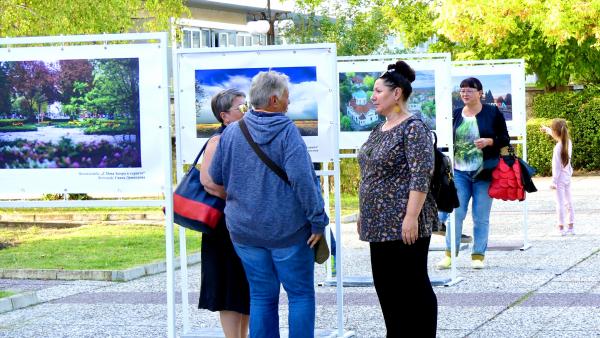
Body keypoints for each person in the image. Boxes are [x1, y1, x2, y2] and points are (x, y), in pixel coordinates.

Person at [208, 71, 329, 338]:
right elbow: (302, 181)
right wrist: (318, 220)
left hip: (245, 232)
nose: (289, 101)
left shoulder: (232, 132)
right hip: (288, 230)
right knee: (300, 295)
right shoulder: (287, 132)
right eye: (287, 95)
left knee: (261, 296)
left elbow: (216, 175)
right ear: (274, 99)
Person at [357, 60, 438, 337]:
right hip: (378, 226)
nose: (373, 96)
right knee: (386, 288)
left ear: (397, 94)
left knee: (412, 286)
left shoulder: (414, 128)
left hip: (404, 224)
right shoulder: (379, 129)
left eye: (378, 91)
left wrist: (411, 217)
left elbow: (421, 174)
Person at [436, 77, 510, 270]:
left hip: (484, 172)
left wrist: (489, 141)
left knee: (480, 216)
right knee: (456, 213)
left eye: (469, 90)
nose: (465, 93)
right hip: (459, 172)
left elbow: (505, 139)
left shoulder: (492, 112)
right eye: (462, 90)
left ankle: (478, 255)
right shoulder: (455, 114)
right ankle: (450, 254)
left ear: (480, 93)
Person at [199, 89, 250, 338]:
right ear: (224, 116)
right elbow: (207, 181)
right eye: (241, 108)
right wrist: (241, 199)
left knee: (245, 286)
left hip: (243, 223)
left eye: (247, 105)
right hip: (222, 226)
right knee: (229, 288)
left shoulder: (244, 138)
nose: (247, 110)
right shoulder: (217, 141)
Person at [541, 118, 574, 235]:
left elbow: (556, 167)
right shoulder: (568, 143)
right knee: (569, 201)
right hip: (567, 177)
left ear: (556, 132)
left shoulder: (557, 148)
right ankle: (571, 226)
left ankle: (560, 228)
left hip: (559, 179)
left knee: (559, 203)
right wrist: (547, 130)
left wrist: (553, 182)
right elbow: (558, 134)